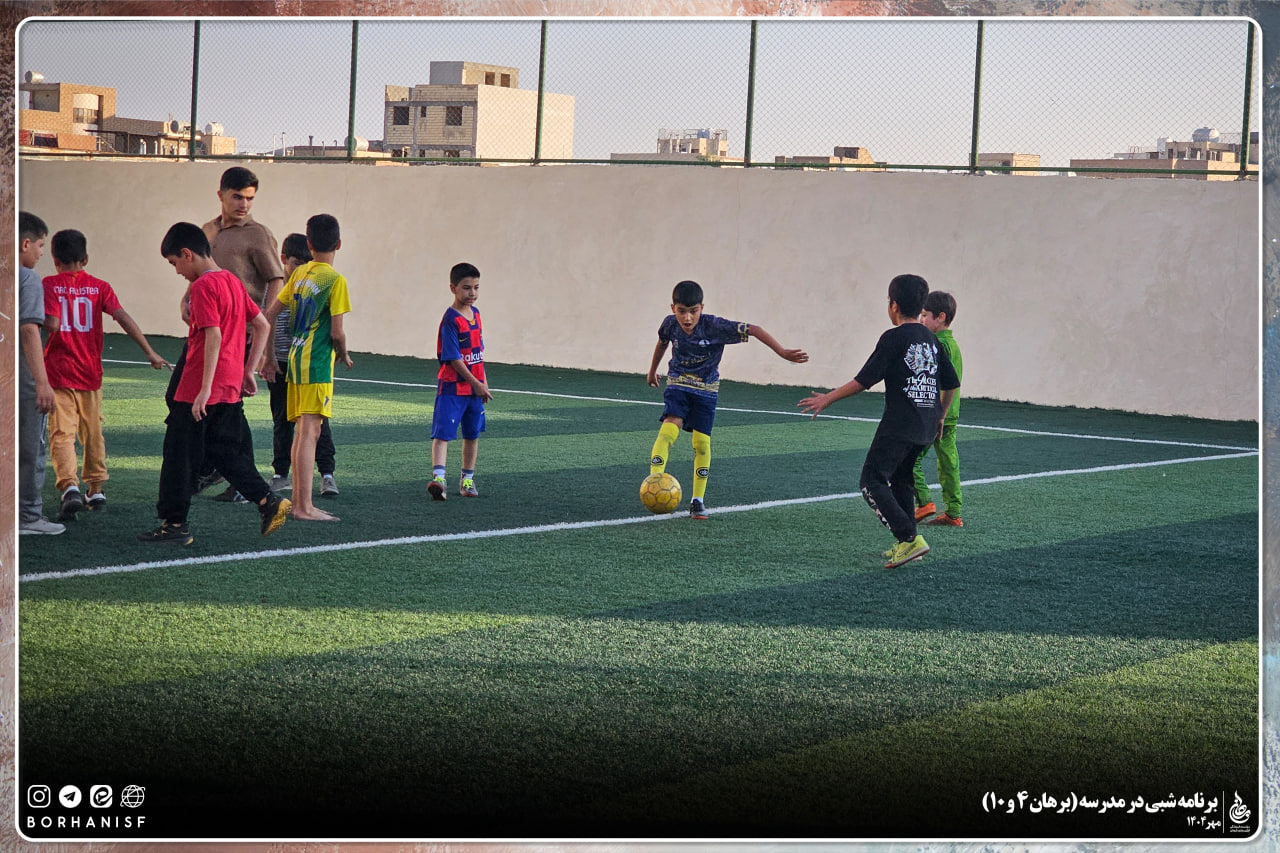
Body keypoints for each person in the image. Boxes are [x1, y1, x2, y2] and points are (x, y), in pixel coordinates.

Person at [138, 222, 290, 545]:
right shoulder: (232, 281)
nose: (177, 271)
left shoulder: (203, 286)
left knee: (178, 455)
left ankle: (174, 524)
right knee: (225, 453)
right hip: (229, 388)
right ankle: (267, 499)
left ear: (187, 254)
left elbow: (214, 335)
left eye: (174, 263)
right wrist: (248, 371)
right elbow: (262, 325)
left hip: (197, 388)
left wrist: (204, 390)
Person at [798, 274, 959, 569]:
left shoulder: (893, 337)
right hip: (925, 425)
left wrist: (827, 398)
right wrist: (941, 414)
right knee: (901, 479)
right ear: (921, 305)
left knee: (871, 481)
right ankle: (907, 543)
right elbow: (952, 382)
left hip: (900, 425)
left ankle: (909, 538)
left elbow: (864, 380)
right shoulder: (931, 339)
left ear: (893, 305)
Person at [647, 279, 808, 519]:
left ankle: (697, 500)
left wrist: (782, 352)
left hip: (707, 389)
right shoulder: (669, 324)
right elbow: (661, 344)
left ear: (702, 308)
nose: (687, 318)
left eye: (693, 311)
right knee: (670, 426)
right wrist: (652, 371)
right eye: (681, 311)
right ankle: (654, 480)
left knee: (701, 444)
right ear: (673, 309)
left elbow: (754, 329)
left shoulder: (715, 326)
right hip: (678, 382)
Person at [41, 229, 170, 521]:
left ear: (54, 259)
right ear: (85, 259)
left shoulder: (49, 284)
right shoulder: (99, 286)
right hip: (90, 374)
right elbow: (122, 317)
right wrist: (149, 351)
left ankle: (70, 487)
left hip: (59, 373)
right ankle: (96, 488)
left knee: (62, 433)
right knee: (92, 431)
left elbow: (52, 323)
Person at [198, 165, 286, 503]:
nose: (244, 204)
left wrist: (263, 324)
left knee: (230, 405)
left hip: (242, 332)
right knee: (220, 405)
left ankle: (234, 478)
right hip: (208, 329)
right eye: (237, 197)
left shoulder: (258, 234)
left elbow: (276, 280)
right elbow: (200, 273)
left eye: (250, 198)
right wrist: (187, 299)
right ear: (220, 195)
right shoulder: (207, 231)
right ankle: (224, 471)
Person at [262, 214, 352, 522]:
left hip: (295, 360)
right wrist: (343, 353)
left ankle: (302, 502)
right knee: (310, 432)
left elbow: (269, 314)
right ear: (338, 244)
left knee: (302, 433)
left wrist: (266, 355)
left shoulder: (299, 274)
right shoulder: (335, 280)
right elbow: (337, 332)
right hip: (316, 365)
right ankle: (303, 507)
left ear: (309, 244)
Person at [427, 262, 491, 501]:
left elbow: (478, 353)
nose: (472, 293)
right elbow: (453, 358)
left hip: (474, 389)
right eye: (466, 288)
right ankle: (439, 479)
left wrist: (483, 382)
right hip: (452, 388)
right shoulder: (450, 319)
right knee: (443, 433)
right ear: (453, 288)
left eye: (476, 287)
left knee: (472, 434)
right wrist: (476, 383)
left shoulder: (477, 315)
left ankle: (467, 480)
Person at [17, 212, 64, 535]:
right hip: (21, 378)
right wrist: (42, 383)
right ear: (25, 243)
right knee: (30, 446)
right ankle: (28, 516)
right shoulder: (27, 278)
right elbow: (28, 330)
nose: (41, 253)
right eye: (40, 245)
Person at [912, 290, 964, 527]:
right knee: (948, 463)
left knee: (908, 459)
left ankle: (923, 502)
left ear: (941, 317)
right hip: (950, 414)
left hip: (936, 414)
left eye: (925, 315)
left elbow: (940, 382)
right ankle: (953, 512)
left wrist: (938, 415)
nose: (921, 320)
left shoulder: (937, 345)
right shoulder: (953, 344)